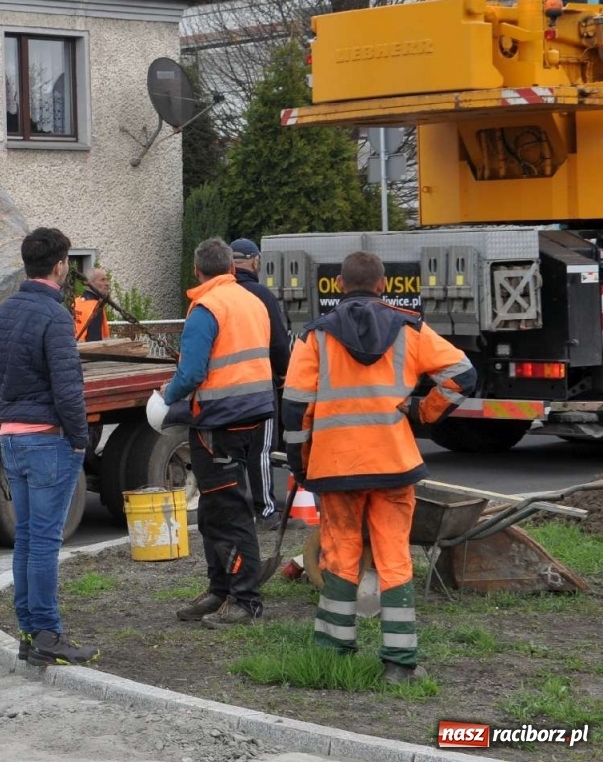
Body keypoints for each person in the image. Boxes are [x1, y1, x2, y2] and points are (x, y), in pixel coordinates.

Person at [281, 250, 475, 684]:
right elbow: (463, 374)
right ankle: (399, 664)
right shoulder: (410, 329)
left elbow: (295, 410)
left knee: (341, 554)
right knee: (393, 557)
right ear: (383, 284)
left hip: (337, 468)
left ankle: (334, 653)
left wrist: (302, 464)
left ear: (339, 286)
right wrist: (424, 412)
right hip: (394, 464)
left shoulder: (315, 336)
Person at [0, 227, 98, 666]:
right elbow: (68, 389)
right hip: (47, 437)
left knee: (27, 539)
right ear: (60, 265)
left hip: (11, 435)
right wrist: (79, 439)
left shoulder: (5, 311)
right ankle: (48, 632)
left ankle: (30, 634)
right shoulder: (55, 317)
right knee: (45, 543)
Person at [160, 237, 277, 628]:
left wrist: (166, 396)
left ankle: (244, 600)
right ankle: (221, 591)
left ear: (197, 270)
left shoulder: (206, 308)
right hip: (253, 414)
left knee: (228, 511)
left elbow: (191, 373)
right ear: (231, 267)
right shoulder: (252, 301)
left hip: (219, 421)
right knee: (214, 509)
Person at [229, 238, 291, 519]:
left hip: (225, 388)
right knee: (261, 450)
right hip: (260, 387)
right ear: (255, 262)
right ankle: (265, 508)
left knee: (231, 452)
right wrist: (284, 371)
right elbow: (278, 342)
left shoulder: (219, 295)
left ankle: (237, 508)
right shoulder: (261, 295)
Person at [73, 267, 112, 342]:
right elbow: (94, 340)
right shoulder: (96, 307)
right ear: (90, 283)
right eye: (102, 280)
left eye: (107, 280)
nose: (107, 284)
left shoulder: (75, 302)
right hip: (88, 351)